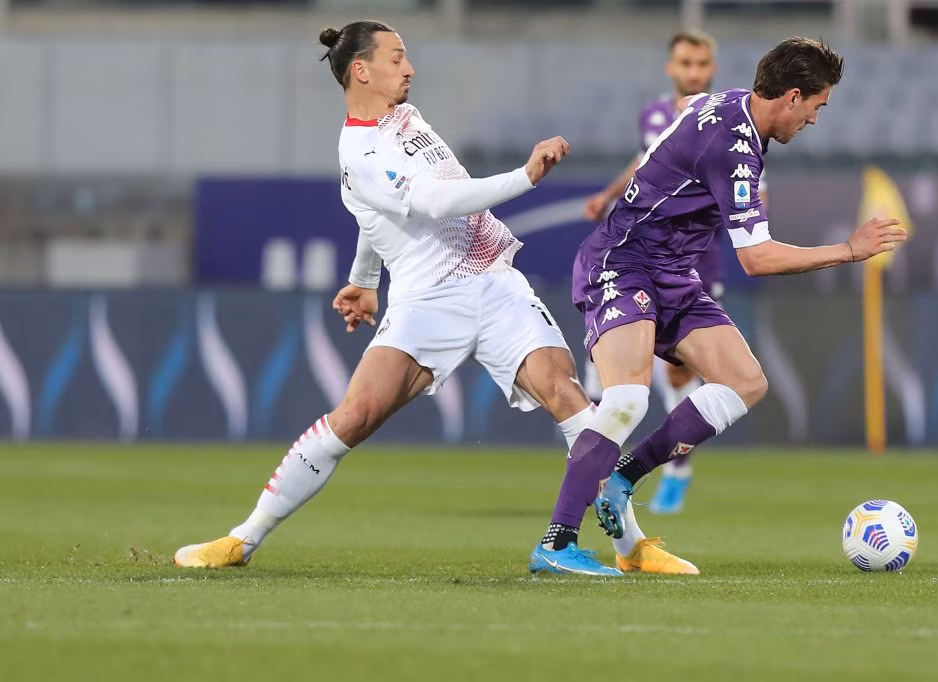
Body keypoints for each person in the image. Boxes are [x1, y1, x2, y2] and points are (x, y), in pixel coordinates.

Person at [173, 21, 693, 577]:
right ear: (361, 70)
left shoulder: (404, 118)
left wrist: (363, 279)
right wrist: (525, 176)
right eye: (397, 58)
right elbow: (435, 202)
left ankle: (630, 547)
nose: (410, 68)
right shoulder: (360, 150)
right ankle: (242, 539)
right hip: (428, 300)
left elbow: (372, 213)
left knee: (569, 397)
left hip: (495, 281)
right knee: (355, 416)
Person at [569, 37, 907, 569]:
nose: (815, 119)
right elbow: (757, 258)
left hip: (671, 272)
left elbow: (674, 130)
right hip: (624, 262)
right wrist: (849, 250)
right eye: (817, 106)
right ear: (792, 96)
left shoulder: (726, 103)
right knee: (627, 398)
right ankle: (558, 542)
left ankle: (623, 480)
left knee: (746, 381)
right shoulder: (734, 147)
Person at [583, 30, 769, 515]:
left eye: (701, 63)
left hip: (695, 258)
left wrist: (750, 223)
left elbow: (752, 192)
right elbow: (646, 162)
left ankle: (675, 465)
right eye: (686, 63)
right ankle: (606, 475)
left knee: (682, 366)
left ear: (712, 67)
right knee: (626, 370)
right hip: (641, 251)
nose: (694, 72)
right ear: (671, 67)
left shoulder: (732, 122)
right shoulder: (656, 115)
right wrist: (608, 195)